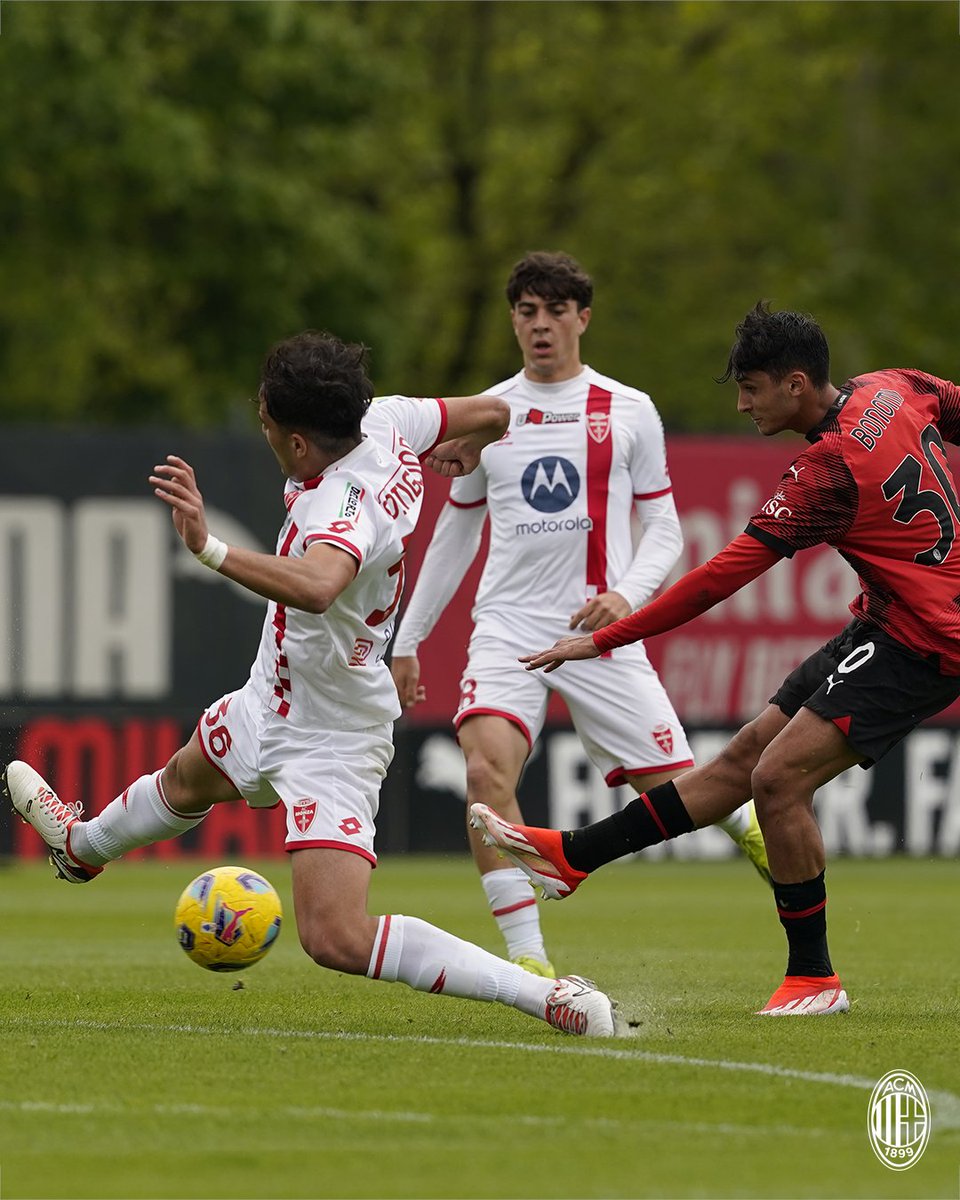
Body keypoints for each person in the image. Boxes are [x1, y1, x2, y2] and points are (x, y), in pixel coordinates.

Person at [5, 329, 621, 1038]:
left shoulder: (342, 504)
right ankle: (81, 851)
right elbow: (494, 411)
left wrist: (209, 548)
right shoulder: (390, 417)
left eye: (265, 415)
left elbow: (323, 584)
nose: (259, 419)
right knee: (184, 782)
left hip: (332, 729)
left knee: (336, 938)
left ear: (299, 442)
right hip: (273, 692)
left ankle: (547, 996)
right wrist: (475, 446)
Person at [470, 300, 960, 1016]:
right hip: (887, 620)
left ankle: (815, 980)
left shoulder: (829, 467)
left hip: (927, 640)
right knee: (738, 764)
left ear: (795, 384)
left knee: (776, 780)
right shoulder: (895, 388)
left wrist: (605, 637)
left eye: (751, 388)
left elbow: (718, 578)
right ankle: (574, 857)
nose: (741, 403)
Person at [391, 252, 769, 977]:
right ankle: (529, 964)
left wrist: (626, 596)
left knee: (691, 794)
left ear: (582, 318)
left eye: (555, 311)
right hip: (505, 625)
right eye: (527, 312)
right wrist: (410, 639)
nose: (540, 326)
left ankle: (759, 846)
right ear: (513, 319)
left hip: (600, 633)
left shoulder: (628, 409)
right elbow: (455, 533)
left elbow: (664, 527)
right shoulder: (488, 413)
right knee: (484, 773)